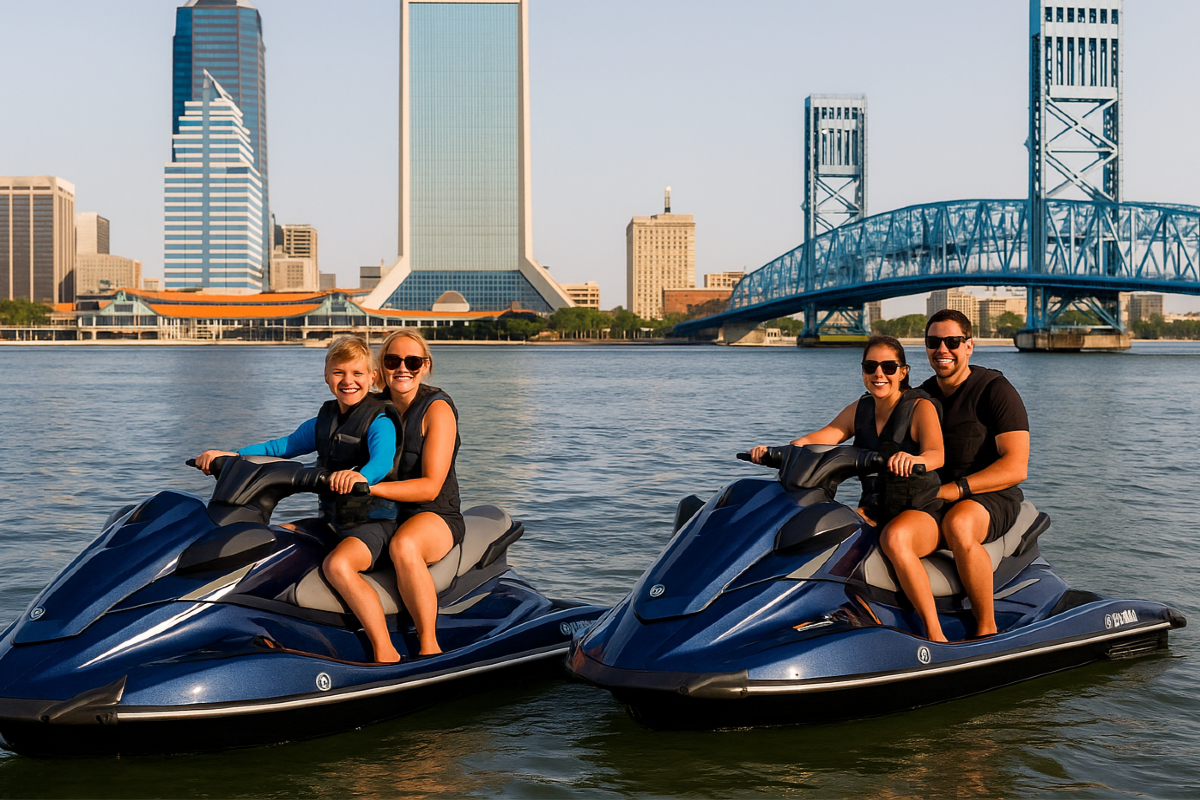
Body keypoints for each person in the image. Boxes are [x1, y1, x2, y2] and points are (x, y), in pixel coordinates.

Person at [195, 336, 405, 663]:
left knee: (339, 565)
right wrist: (232, 456)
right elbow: (282, 447)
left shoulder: (380, 421)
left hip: (374, 523)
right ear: (326, 376)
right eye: (339, 373)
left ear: (373, 377)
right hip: (333, 520)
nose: (348, 381)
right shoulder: (323, 421)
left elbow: (382, 461)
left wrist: (361, 476)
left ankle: (385, 650)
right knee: (273, 540)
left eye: (357, 374)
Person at [879, 309, 1030, 642]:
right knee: (894, 537)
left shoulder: (995, 390)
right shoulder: (921, 397)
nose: (942, 349)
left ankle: (987, 627)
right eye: (934, 342)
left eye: (952, 341)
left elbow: (1016, 467)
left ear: (969, 346)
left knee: (958, 524)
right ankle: (933, 635)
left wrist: (957, 488)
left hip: (990, 495)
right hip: (936, 496)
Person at [750, 334, 944, 528]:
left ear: (902, 372)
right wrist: (782, 451)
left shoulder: (920, 407)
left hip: (919, 508)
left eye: (888, 367)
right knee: (826, 527)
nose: (878, 373)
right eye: (870, 366)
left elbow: (936, 454)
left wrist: (916, 460)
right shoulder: (861, 408)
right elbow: (827, 435)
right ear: (863, 371)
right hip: (873, 510)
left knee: (895, 539)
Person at [367, 330, 464, 658]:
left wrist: (369, 487)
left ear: (426, 366)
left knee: (404, 546)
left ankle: (428, 646)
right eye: (393, 361)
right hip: (384, 512)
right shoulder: (373, 408)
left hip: (433, 513)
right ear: (381, 368)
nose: (402, 368)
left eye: (413, 361)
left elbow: (431, 485)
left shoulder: (437, 409)